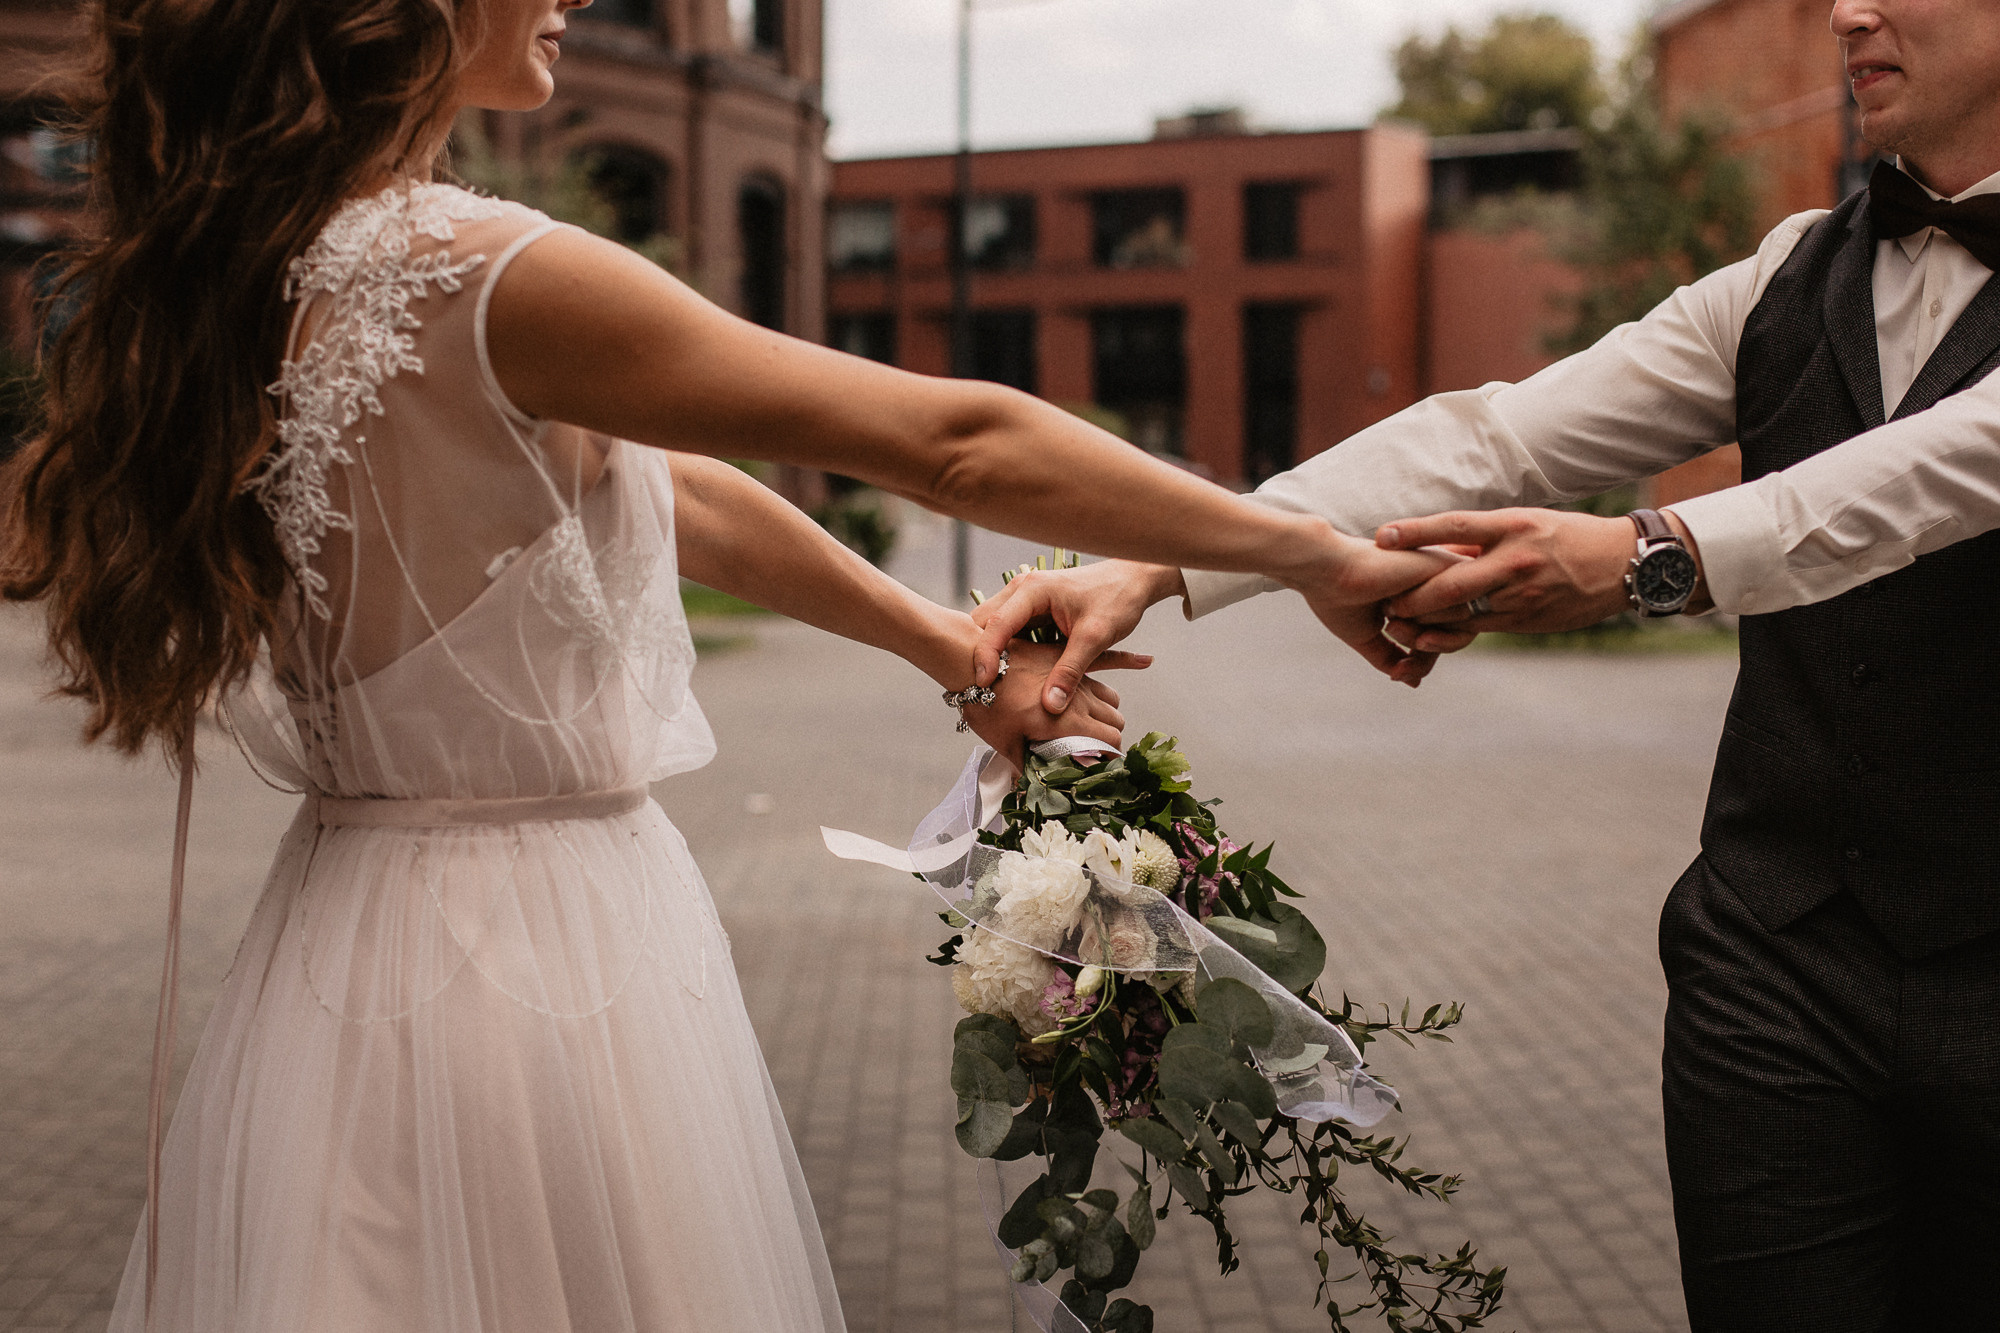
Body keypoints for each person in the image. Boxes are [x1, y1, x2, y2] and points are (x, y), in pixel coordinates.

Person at [0, 0, 1453, 1327]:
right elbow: (956, 442)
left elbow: (667, 491)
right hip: (537, 960)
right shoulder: (487, 273)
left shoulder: (259, 271)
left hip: (335, 926)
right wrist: (1307, 547)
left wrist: (945, 644)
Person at [970, 1, 2000, 1326]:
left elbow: (1931, 472)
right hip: (1777, 983)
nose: (1849, 8)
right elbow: (1497, 439)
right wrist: (1165, 557)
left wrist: (1650, 553)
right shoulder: (1788, 273)